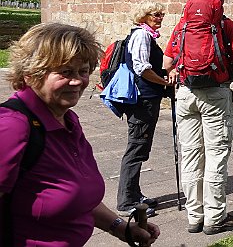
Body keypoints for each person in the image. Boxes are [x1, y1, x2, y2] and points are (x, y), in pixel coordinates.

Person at [0, 23, 160, 246]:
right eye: (65, 72)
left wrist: (121, 228)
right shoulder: (12, 127)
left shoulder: (67, 120)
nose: (77, 81)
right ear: (30, 73)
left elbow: (79, 197)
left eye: (83, 71)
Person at [164, 0, 233, 235]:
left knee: (191, 156)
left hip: (186, 94)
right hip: (215, 95)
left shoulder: (183, 26)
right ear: (220, 2)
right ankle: (215, 218)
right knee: (215, 155)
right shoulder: (226, 25)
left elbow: (167, 62)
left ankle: (195, 216)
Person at [117, 2, 174, 217]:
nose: (160, 18)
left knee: (140, 148)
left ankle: (134, 193)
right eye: (156, 14)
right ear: (144, 16)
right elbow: (142, 68)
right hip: (142, 101)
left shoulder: (146, 35)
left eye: (162, 14)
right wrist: (164, 82)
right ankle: (126, 202)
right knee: (136, 148)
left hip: (147, 99)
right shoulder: (141, 35)